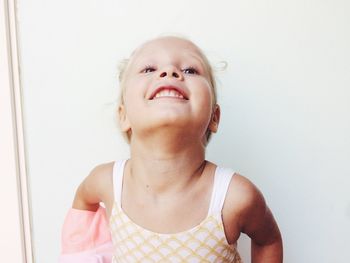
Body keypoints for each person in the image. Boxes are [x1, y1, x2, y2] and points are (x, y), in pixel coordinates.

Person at [71, 35, 283, 262]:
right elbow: (83, 205)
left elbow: (267, 240)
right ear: (124, 116)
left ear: (214, 117)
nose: (169, 72)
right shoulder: (106, 182)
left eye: (191, 70)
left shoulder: (235, 197)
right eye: (149, 68)